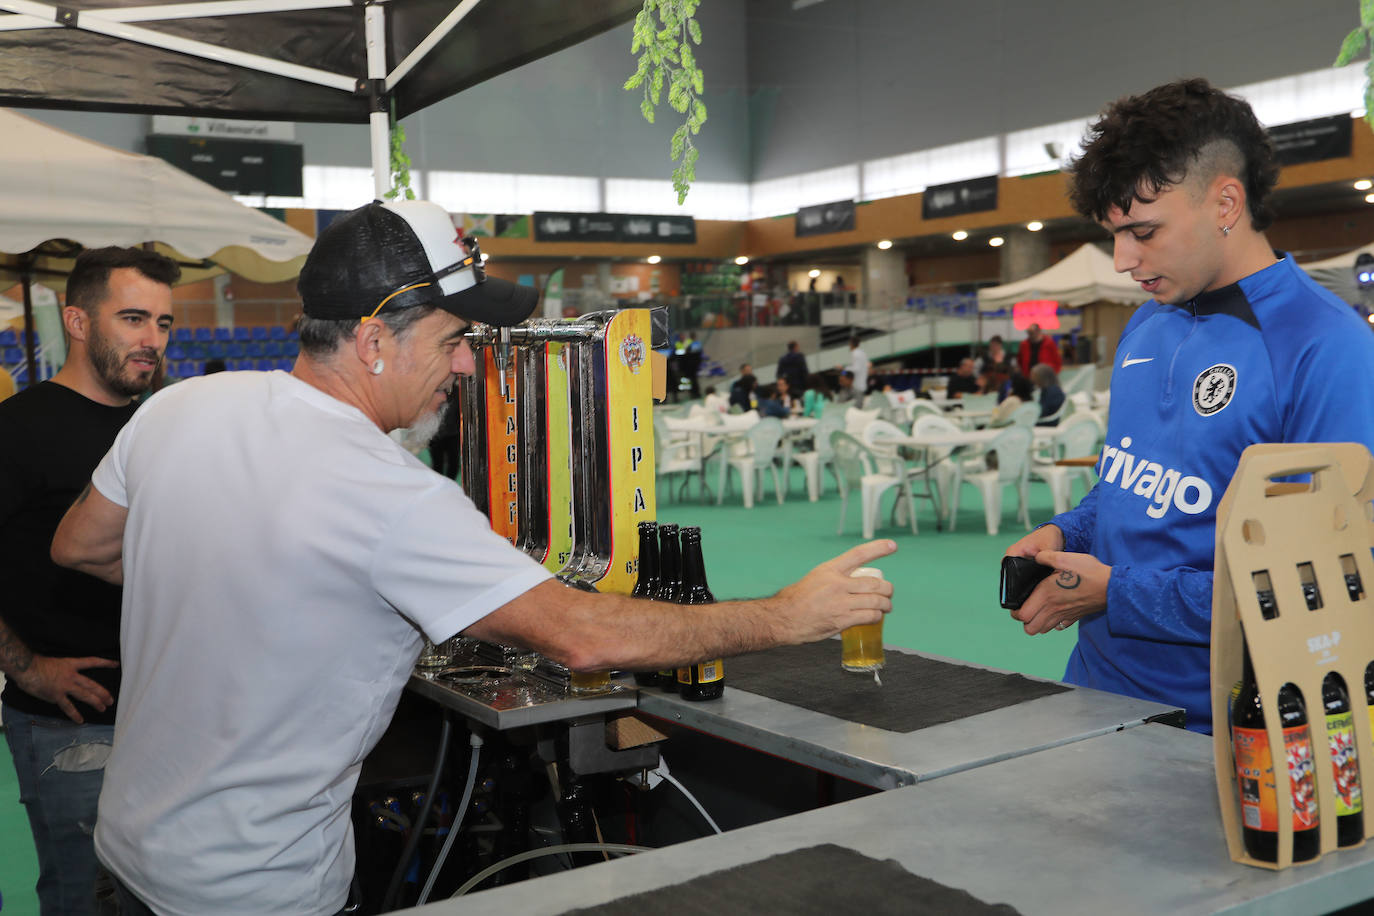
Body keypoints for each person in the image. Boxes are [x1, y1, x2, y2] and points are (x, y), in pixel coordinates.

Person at [49, 200, 896, 916]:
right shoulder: (391, 492)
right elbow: (583, 638)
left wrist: (237, 582)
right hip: (253, 890)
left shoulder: (179, 409)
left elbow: (80, 545)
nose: (466, 362)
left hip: (127, 854)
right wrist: (788, 615)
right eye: (456, 337)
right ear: (375, 338)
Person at [1003, 78, 1374, 734]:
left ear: (1226, 202)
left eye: (1143, 231)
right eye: (1114, 234)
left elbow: (1317, 585)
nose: (1123, 260)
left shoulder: (1325, 346)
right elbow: (1128, 489)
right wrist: (1069, 534)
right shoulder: (1148, 325)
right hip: (1093, 696)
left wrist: (1116, 594)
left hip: (1232, 732)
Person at [0, 246, 177, 915]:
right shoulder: (17, 430)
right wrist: (29, 670)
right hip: (69, 726)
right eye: (133, 318)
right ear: (77, 321)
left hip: (165, 716)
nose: (151, 340)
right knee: (88, 901)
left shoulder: (156, 426)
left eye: (163, 323)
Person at [845, 337, 869, 406]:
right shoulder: (862, 353)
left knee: (857, 406)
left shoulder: (855, 353)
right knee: (859, 404)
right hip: (862, 383)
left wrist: (845, 369)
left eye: (849, 344)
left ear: (851, 344)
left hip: (857, 385)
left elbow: (856, 369)